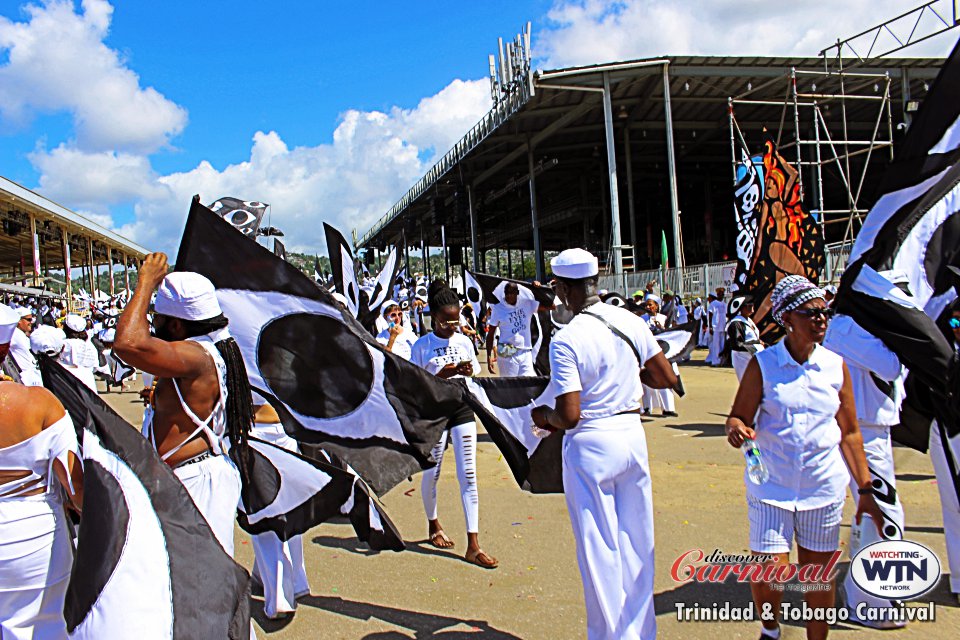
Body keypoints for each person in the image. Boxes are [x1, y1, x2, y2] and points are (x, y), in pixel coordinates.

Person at [725, 275, 883, 640]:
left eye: (824, 311)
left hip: (822, 488)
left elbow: (850, 433)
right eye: (811, 313)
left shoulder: (834, 365)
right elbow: (739, 417)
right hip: (771, 486)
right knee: (770, 573)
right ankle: (770, 628)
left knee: (818, 580)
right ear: (786, 319)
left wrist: (866, 489)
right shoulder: (763, 365)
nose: (821, 319)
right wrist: (736, 429)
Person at [531, 249, 677, 640]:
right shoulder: (630, 321)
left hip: (592, 443)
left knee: (600, 551)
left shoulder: (568, 338)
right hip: (632, 435)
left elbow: (570, 414)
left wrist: (544, 417)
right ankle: (642, 633)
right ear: (595, 281)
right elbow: (665, 378)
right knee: (638, 543)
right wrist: (628, 373)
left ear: (561, 288)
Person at [115, 253, 253, 557]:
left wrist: (146, 282)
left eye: (157, 317)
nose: (151, 323)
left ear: (176, 326)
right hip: (190, 478)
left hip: (194, 482)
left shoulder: (194, 354)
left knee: (198, 584)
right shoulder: (208, 348)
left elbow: (127, 344)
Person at [823, 274, 909, 627]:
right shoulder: (847, 327)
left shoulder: (857, 326)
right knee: (881, 512)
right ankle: (869, 601)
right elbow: (890, 366)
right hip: (859, 431)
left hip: (872, 428)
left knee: (874, 512)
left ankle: (867, 593)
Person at [0, 302, 84, 638]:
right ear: (8, 346)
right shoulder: (39, 402)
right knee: (47, 624)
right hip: (34, 539)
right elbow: (75, 487)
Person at [411, 285, 497, 569]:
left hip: (461, 407)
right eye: (445, 321)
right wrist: (440, 373)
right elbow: (414, 385)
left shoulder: (463, 341)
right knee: (432, 472)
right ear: (433, 316)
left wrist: (470, 370)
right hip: (435, 413)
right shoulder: (421, 346)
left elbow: (476, 369)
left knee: (468, 473)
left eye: (456, 320)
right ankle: (433, 524)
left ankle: (473, 544)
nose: (451, 326)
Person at [250, 393, 310, 620]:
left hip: (257, 429)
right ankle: (293, 579)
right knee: (286, 507)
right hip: (282, 428)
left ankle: (280, 596)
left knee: (262, 511)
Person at [930, 304, 960, 605]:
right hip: (949, 426)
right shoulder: (943, 351)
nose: (956, 326)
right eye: (953, 322)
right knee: (955, 507)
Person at [485, 282, 546, 377]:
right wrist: (489, 356)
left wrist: (538, 290)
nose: (508, 295)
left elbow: (551, 306)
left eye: (512, 293)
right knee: (509, 387)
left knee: (529, 385)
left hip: (525, 351)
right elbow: (491, 334)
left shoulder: (527, 303)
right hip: (506, 350)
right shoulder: (498, 309)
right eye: (506, 293)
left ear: (517, 292)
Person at [640, 296, 678, 417]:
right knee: (646, 381)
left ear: (656, 306)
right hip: (647, 352)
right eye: (646, 305)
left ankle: (668, 408)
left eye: (650, 305)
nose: (648, 307)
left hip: (662, 352)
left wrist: (661, 328)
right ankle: (647, 407)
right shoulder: (642, 319)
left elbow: (670, 334)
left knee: (664, 378)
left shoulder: (663, 318)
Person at [725, 297, 764, 381]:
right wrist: (756, 343)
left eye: (752, 305)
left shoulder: (748, 320)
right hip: (742, 358)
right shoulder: (736, 323)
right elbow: (736, 344)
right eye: (749, 305)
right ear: (741, 308)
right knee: (748, 384)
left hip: (751, 357)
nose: (752, 307)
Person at [60, 314, 100, 392]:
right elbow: (95, 367)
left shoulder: (65, 344)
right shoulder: (90, 345)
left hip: (72, 384)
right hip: (89, 382)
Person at [10, 308, 41, 386]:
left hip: (34, 376)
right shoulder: (14, 333)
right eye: (29, 320)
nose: (31, 322)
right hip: (25, 379)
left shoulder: (21, 334)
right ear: (19, 321)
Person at [705, 288, 727, 366]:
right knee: (716, 345)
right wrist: (710, 326)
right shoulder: (713, 304)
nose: (722, 295)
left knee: (722, 345)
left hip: (723, 327)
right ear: (717, 295)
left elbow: (726, 315)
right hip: (716, 327)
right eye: (720, 294)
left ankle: (721, 360)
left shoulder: (724, 304)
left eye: (723, 294)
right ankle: (715, 361)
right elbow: (710, 315)